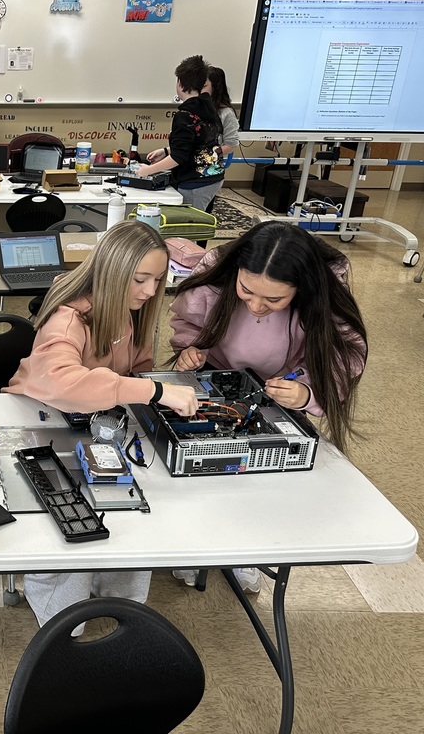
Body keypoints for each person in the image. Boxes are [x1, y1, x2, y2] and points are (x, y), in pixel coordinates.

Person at [4, 222, 200, 627]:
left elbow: (138, 370)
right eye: (140, 279)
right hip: (43, 422)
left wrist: (158, 382)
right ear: (111, 273)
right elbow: (63, 382)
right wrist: (155, 393)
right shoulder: (67, 320)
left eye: (158, 279)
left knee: (131, 516)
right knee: (69, 525)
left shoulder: (131, 313)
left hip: (95, 424)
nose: (150, 291)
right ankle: (62, 605)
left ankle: (118, 599)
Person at [168, 220, 368, 591]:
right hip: (215, 377)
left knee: (258, 480)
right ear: (237, 274)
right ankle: (192, 548)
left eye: (274, 300)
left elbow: (344, 356)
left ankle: (245, 552)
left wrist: (308, 393)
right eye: (246, 291)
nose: (257, 306)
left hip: (282, 391)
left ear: (302, 288)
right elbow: (187, 321)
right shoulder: (216, 270)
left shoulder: (326, 290)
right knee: (203, 470)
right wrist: (190, 351)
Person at [137, 54, 225, 212]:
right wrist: (166, 151)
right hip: (213, 176)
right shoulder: (208, 107)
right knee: (200, 221)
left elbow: (179, 157)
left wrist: (146, 171)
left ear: (180, 83)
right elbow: (201, 143)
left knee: (188, 225)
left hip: (195, 182)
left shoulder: (184, 115)